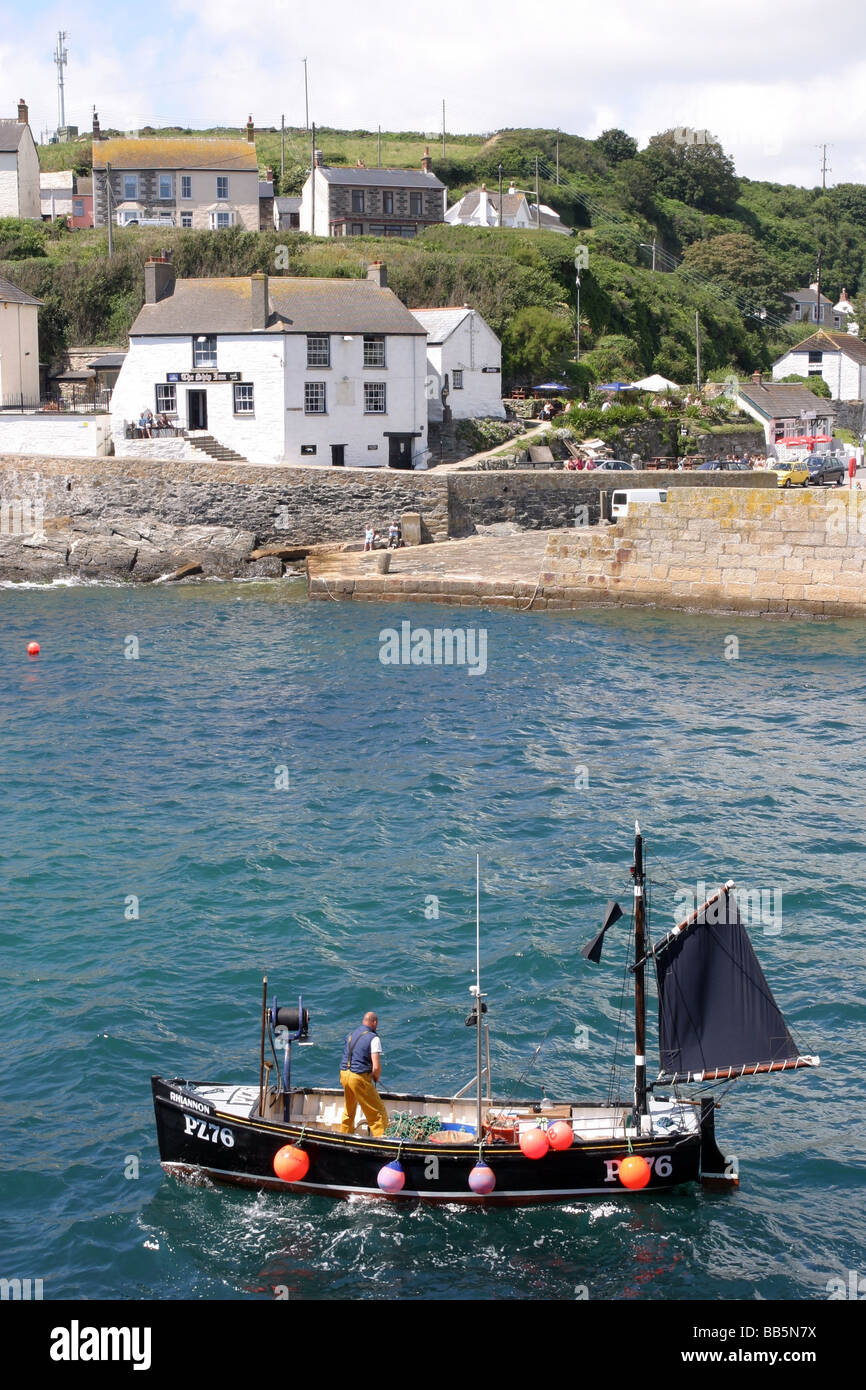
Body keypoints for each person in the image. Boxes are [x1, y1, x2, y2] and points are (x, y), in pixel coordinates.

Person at [340, 1011, 389, 1137]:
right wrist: (375, 1077)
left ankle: (345, 1136)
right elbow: (376, 1066)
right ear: (375, 1023)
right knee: (377, 1113)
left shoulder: (350, 1034)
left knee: (349, 1111)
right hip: (358, 1077)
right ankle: (383, 1141)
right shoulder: (374, 1038)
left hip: (344, 1074)